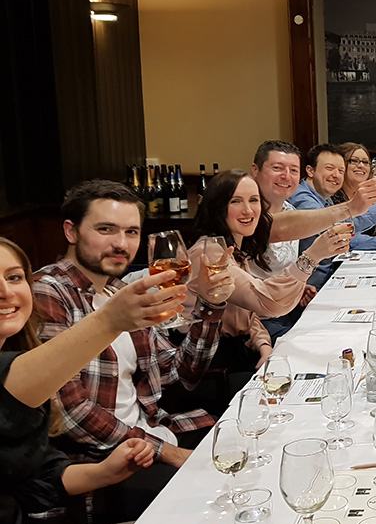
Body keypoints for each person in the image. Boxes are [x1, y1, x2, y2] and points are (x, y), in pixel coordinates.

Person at [0, 236, 183, 524]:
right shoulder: (19, 376)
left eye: (13, 277)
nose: (6, 293)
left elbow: (40, 473)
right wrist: (109, 320)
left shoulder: (19, 359)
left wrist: (104, 472)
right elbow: (10, 392)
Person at [34, 181, 232, 504]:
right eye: (106, 229)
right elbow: (69, 410)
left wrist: (210, 307)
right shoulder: (50, 292)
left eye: (131, 232)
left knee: (246, 440)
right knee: (214, 493)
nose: (121, 243)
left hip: (151, 431)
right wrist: (166, 451)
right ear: (71, 231)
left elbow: (181, 376)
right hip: (100, 460)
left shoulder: (118, 291)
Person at [187, 169, 350, 377]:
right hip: (211, 369)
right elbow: (266, 301)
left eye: (253, 200)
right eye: (236, 201)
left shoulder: (234, 247)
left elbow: (246, 316)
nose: (248, 210)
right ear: (217, 207)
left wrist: (265, 347)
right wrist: (312, 257)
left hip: (241, 354)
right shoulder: (208, 253)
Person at [248, 139, 376, 340]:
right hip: (259, 323)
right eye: (277, 168)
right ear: (255, 170)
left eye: (293, 170)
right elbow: (274, 229)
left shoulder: (290, 208)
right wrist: (351, 209)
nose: (286, 176)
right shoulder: (247, 216)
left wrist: (298, 287)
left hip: (292, 306)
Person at [289, 143, 376, 290]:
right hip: (312, 288)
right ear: (310, 171)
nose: (336, 175)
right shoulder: (303, 198)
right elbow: (333, 232)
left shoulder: (324, 197)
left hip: (327, 280)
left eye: (340, 171)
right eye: (329, 168)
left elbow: (346, 236)